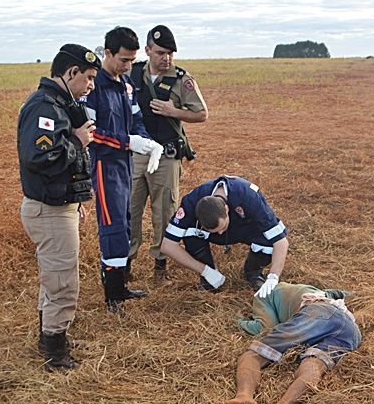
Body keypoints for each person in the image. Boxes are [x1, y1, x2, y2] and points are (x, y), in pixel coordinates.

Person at [17, 44, 100, 371]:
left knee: (54, 278)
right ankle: (55, 350)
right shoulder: (45, 108)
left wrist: (75, 196)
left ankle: (52, 336)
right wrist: (78, 141)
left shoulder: (56, 104)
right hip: (49, 209)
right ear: (70, 73)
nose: (91, 85)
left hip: (57, 204)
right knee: (63, 282)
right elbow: (39, 157)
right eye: (88, 78)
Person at [85, 27, 164, 312]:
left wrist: (147, 142)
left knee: (127, 221)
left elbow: (136, 119)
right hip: (105, 165)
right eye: (123, 60)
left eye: (132, 60)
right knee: (112, 226)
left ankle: (120, 285)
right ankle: (112, 295)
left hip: (125, 162)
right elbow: (92, 134)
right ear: (106, 53)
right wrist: (128, 142)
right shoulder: (94, 87)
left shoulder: (126, 85)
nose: (129, 66)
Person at [128, 25, 209, 283]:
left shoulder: (182, 79)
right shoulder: (133, 73)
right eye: (161, 52)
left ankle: (160, 267)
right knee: (129, 211)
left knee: (164, 212)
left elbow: (202, 114)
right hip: (135, 154)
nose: (167, 58)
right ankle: (124, 265)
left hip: (166, 156)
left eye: (171, 53)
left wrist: (173, 111)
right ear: (148, 50)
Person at [217, 283, 360, 404]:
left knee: (252, 355)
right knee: (314, 362)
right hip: (352, 330)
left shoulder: (261, 295)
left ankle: (244, 396)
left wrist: (239, 320)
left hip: (319, 313)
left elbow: (264, 325)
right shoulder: (313, 289)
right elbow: (341, 293)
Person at [159, 175, 288, 296]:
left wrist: (273, 277)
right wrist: (204, 270)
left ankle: (253, 272)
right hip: (207, 236)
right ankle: (209, 277)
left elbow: (281, 241)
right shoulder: (190, 202)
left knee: (269, 240)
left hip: (244, 228)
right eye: (215, 230)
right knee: (190, 233)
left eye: (222, 228)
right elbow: (167, 245)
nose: (221, 233)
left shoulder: (248, 196)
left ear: (226, 209)